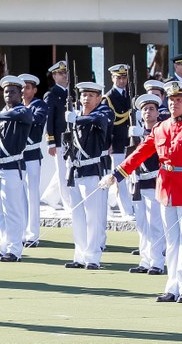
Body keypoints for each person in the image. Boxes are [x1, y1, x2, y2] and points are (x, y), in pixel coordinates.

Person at [101, 81, 182, 303]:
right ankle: (172, 284)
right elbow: (140, 154)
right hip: (166, 189)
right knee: (171, 241)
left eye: (179, 100)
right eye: (172, 100)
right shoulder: (161, 128)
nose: (175, 104)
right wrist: (117, 174)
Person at [0, 75, 33, 262]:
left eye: (12, 92)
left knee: (13, 210)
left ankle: (14, 249)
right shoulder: (0, 113)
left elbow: (16, 115)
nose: (8, 95)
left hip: (13, 167)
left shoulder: (23, 112)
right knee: (0, 212)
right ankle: (3, 247)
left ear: (20, 94)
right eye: (5, 92)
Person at [63, 81, 112, 270]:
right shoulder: (74, 117)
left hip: (93, 170)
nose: (87, 98)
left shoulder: (104, 112)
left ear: (99, 98)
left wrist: (76, 119)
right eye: (84, 95)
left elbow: (99, 121)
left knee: (93, 216)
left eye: (91, 95)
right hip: (75, 170)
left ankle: (92, 257)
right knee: (78, 216)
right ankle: (80, 255)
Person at [127, 94, 165, 275]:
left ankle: (157, 261)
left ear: (158, 112)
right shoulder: (136, 132)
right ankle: (145, 259)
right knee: (142, 224)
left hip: (154, 181)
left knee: (155, 223)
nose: (147, 112)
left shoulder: (160, 130)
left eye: (151, 109)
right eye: (144, 109)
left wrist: (142, 135)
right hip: (138, 182)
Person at [104, 64, 135, 220]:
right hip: (115, 142)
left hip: (129, 142)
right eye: (118, 77)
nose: (122, 80)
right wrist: (107, 142)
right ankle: (126, 210)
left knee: (125, 177)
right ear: (112, 78)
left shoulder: (129, 95)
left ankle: (108, 202)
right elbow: (107, 123)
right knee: (120, 177)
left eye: (124, 77)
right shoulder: (108, 98)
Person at [19, 73, 47, 247]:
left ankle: (32, 234)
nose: (23, 91)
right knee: (19, 196)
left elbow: (37, 120)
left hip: (31, 154)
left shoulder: (40, 105)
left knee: (32, 194)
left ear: (34, 90)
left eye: (27, 88)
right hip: (17, 155)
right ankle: (21, 232)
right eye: (21, 88)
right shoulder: (17, 106)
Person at [41, 60, 70, 209]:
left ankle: (50, 198)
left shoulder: (72, 93)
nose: (65, 76)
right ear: (54, 76)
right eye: (62, 73)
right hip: (58, 139)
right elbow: (49, 119)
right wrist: (50, 142)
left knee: (66, 169)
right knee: (63, 173)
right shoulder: (51, 94)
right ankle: (67, 203)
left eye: (66, 72)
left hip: (71, 139)